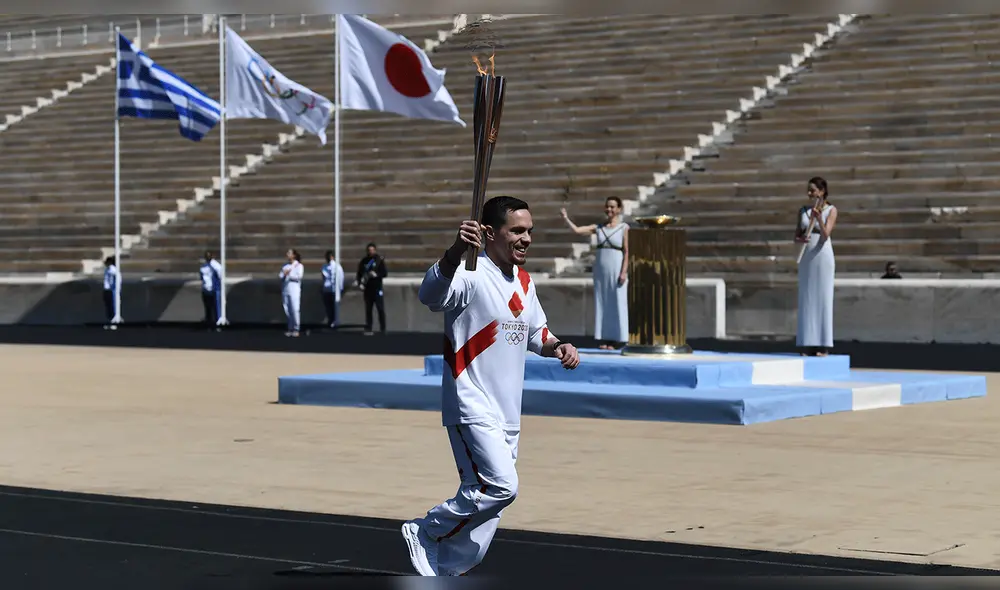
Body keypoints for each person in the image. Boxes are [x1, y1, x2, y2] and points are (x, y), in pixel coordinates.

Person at [401, 195, 581, 577]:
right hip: (471, 401)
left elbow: (538, 333)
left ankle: (446, 571)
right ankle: (426, 530)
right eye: (517, 230)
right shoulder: (469, 273)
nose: (526, 238)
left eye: (530, 230)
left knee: (480, 531)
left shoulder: (525, 281)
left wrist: (558, 346)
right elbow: (429, 295)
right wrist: (453, 253)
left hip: (507, 412)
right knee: (501, 486)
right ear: (489, 233)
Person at [560, 196, 629, 349]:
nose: (609, 210)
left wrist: (624, 271)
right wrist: (566, 218)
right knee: (602, 301)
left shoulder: (624, 228)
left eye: (613, 207)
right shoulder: (598, 227)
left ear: (618, 209)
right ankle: (605, 338)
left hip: (616, 267)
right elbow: (578, 230)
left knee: (617, 301)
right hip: (601, 269)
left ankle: (619, 339)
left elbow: (627, 251)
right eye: (607, 206)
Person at [794, 176, 837, 356]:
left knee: (823, 297)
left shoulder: (831, 210)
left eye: (813, 190)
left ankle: (823, 345)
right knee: (807, 298)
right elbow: (796, 234)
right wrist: (800, 238)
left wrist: (818, 219)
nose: (810, 193)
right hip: (807, 255)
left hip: (823, 254)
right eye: (809, 190)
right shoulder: (803, 210)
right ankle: (807, 343)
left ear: (822, 191)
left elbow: (826, 234)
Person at [356, 242, 387, 335]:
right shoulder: (364, 261)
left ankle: (383, 328)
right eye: (369, 250)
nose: (371, 252)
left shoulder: (379, 260)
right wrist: (359, 284)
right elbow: (359, 274)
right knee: (368, 310)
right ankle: (369, 327)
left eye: (372, 250)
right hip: (367, 289)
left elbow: (385, 273)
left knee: (380, 309)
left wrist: (377, 275)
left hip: (377, 288)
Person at [279, 249, 303, 337]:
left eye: (289, 253)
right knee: (287, 309)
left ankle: (296, 328)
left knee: (295, 309)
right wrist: (284, 274)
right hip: (286, 289)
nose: (287, 254)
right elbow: (280, 276)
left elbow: (299, 276)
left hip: (294, 290)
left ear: (294, 255)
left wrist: (289, 274)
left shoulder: (298, 265)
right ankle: (290, 327)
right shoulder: (285, 266)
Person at [321, 250, 345, 329]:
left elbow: (341, 278)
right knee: (328, 307)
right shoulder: (324, 267)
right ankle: (330, 320)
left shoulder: (337, 267)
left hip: (334, 290)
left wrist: (340, 289)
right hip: (326, 289)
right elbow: (324, 278)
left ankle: (335, 320)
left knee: (334, 306)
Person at [199, 251, 223, 328]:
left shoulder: (216, 265)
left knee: (216, 307)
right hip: (206, 289)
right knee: (208, 307)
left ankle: (218, 322)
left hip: (214, 289)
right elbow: (202, 277)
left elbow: (220, 275)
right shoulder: (203, 267)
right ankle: (209, 321)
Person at [102, 255, 120, 330]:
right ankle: (110, 321)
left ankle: (113, 321)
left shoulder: (112, 269)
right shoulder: (107, 269)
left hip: (111, 290)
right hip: (107, 289)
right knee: (109, 306)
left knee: (112, 306)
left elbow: (116, 278)